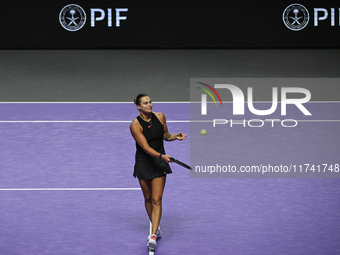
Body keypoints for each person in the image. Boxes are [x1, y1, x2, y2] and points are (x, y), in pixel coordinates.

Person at [130, 93, 186, 250]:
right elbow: (146, 148)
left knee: (156, 199)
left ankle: (153, 234)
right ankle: (156, 226)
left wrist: (175, 136)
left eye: (150, 102)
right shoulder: (135, 125)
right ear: (138, 106)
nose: (150, 105)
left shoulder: (160, 117)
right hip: (144, 162)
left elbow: (165, 135)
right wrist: (162, 156)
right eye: (146, 103)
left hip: (159, 163)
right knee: (148, 198)